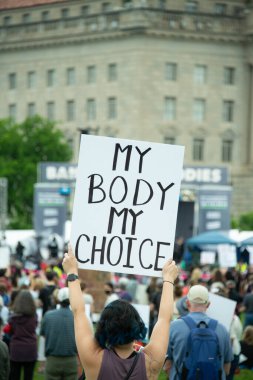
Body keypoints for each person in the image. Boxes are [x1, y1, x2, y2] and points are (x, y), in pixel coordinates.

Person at [62, 245, 178, 380]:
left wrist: (71, 271)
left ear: (104, 329)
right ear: (137, 326)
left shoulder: (93, 358)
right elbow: (164, 318)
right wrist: (169, 279)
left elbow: (79, 312)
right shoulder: (150, 362)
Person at [164, 284, 233, 380]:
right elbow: (227, 368)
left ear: (187, 303)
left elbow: (167, 364)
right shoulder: (222, 329)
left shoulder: (174, 327)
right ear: (208, 305)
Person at [40, 287, 78, 380]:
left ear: (58, 299)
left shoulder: (48, 315)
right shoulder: (76, 317)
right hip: (71, 359)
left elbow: (44, 335)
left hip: (53, 359)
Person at [8, 290, 38, 380]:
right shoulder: (34, 317)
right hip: (30, 348)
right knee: (28, 376)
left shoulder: (12, 318)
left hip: (16, 349)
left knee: (14, 375)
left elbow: (11, 331)